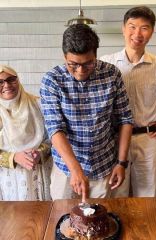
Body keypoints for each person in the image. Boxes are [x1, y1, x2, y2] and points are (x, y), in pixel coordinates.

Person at [40, 24, 133, 202]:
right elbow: (55, 129)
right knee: (63, 218)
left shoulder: (112, 74)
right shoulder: (52, 80)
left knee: (100, 220)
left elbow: (125, 119)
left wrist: (121, 163)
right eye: (73, 64)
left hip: (104, 164)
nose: (80, 71)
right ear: (64, 56)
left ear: (96, 55)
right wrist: (76, 170)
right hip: (66, 168)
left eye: (88, 63)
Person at [100, 6, 156, 197]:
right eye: (132, 26)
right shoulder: (105, 64)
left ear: (151, 32)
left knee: (147, 194)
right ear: (123, 28)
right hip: (114, 139)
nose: (137, 33)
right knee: (117, 193)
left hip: (148, 139)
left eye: (144, 28)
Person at [0, 65, 52, 200]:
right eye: (0, 82)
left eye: (11, 79)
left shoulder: (37, 104)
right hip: (7, 178)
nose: (6, 85)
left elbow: (52, 139)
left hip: (38, 172)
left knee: (41, 216)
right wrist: (14, 157)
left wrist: (39, 153)